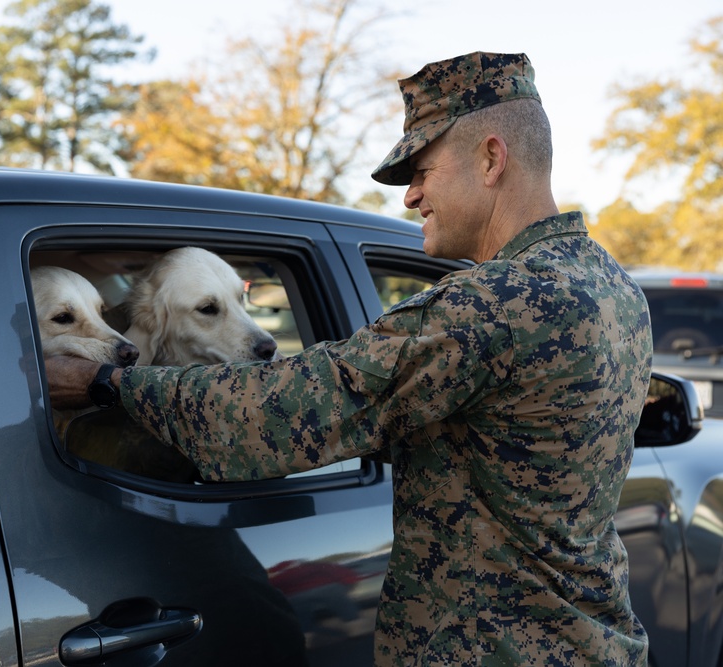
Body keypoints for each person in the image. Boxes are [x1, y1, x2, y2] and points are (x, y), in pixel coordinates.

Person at [46, 51, 652, 666]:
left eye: (422, 169)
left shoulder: (492, 306)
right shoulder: (610, 287)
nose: (413, 195)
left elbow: (288, 409)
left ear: (491, 159)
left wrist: (108, 385)